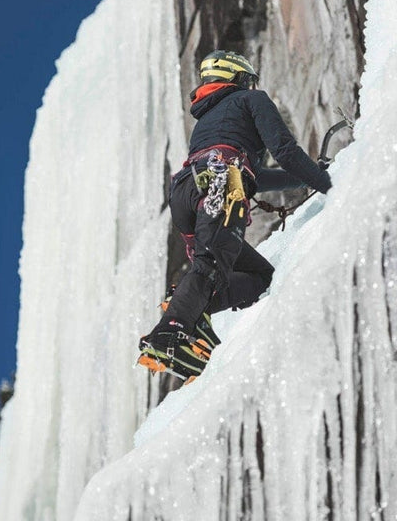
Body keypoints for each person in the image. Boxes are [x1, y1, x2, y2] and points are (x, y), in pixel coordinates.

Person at [137, 50, 333, 381]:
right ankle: (168, 334)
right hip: (220, 180)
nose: (251, 85)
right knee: (210, 265)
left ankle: (188, 306)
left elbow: (255, 177)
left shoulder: (206, 122)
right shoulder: (250, 99)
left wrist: (305, 178)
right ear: (237, 76)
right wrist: (331, 185)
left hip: (185, 192)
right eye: (248, 79)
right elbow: (284, 151)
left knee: (260, 276)